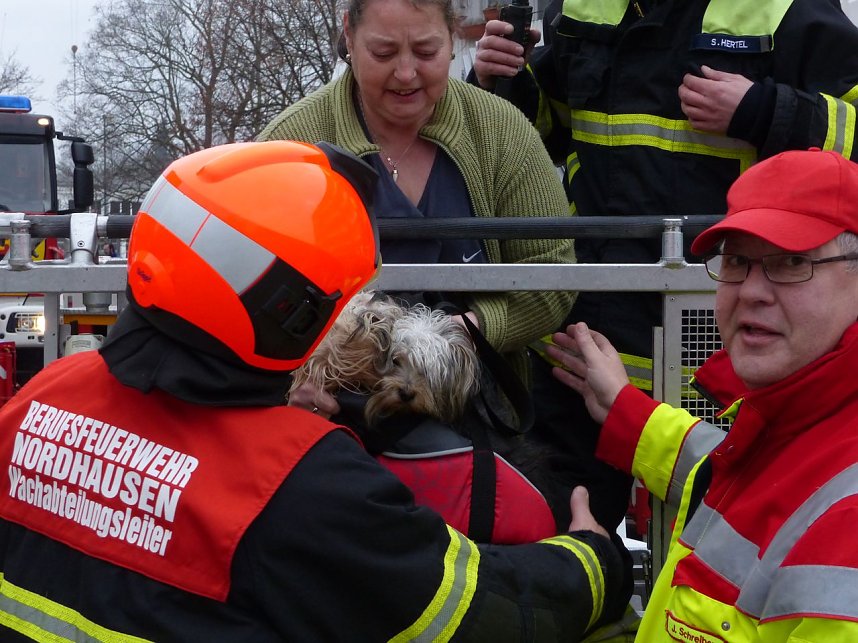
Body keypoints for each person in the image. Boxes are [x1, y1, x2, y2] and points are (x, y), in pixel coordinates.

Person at [0, 140, 632, 642]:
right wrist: (594, 563)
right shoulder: (297, 483)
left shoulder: (41, 398)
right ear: (289, 315)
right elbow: (480, 616)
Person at [471, 0, 858, 535]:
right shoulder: (585, 7)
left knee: (718, 550)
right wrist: (503, 82)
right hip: (584, 353)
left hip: (725, 360)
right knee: (557, 540)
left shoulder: (786, 8)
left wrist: (766, 111)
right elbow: (546, 135)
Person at [546, 147, 858, 642]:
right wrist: (624, 410)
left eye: (792, 261)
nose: (751, 290)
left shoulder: (846, 530)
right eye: (737, 260)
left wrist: (590, 591)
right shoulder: (788, 422)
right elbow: (739, 470)